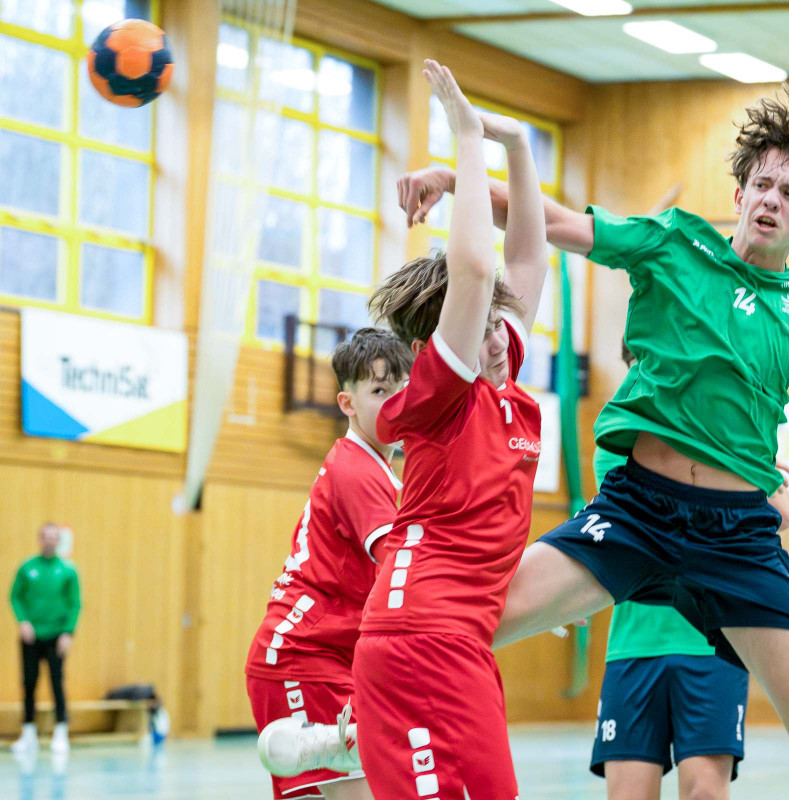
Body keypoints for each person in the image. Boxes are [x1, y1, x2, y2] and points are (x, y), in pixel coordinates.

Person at [265, 77, 789, 800]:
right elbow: (550, 225)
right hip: (637, 512)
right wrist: (457, 181)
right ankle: (350, 729)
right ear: (740, 192)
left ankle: (355, 730)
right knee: (464, 620)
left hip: (737, 534)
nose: (772, 200)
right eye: (763, 184)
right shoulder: (674, 242)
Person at [262, 61, 551, 799]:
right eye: (483, 326)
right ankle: (353, 729)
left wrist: (517, 144)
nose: (499, 337)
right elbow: (476, 267)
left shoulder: (504, 382)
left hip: (453, 638)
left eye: (500, 325)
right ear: (439, 343)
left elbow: (525, 256)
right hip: (422, 635)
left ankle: (349, 731)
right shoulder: (439, 394)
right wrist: (464, 138)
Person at [592, 346, 789, 800]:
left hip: (711, 645)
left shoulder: (725, 420)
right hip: (634, 644)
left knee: (705, 790)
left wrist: (746, 468)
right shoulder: (617, 433)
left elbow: (783, 512)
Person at [248, 327, 411, 800]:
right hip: (303, 657)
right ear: (347, 403)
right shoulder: (357, 471)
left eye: (403, 390)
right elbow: (404, 568)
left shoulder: (378, 470)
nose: (395, 403)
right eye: (379, 391)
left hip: (321, 659)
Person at [10, 522, 80, 755]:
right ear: (40, 539)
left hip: (56, 636)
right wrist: (23, 621)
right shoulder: (27, 567)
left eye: (53, 537)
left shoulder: (68, 570)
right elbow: (15, 596)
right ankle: (28, 731)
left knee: (56, 682)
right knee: (29, 682)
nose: (49, 540)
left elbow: (75, 603)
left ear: (58, 541)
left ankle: (61, 731)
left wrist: (68, 632)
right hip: (31, 636)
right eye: (46, 536)